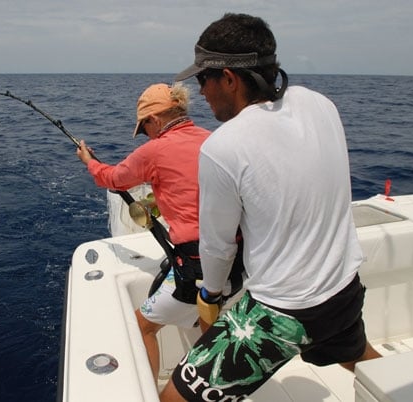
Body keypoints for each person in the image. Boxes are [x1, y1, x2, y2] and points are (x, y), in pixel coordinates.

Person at [159, 13, 382, 401]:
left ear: (228, 78)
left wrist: (210, 295)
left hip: (282, 314)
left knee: (172, 399)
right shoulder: (320, 104)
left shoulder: (222, 146)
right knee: (362, 359)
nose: (201, 93)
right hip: (341, 290)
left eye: (202, 80)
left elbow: (218, 246)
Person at [76, 83, 211, 383]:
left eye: (145, 128)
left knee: (140, 325)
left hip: (197, 267)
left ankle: (152, 392)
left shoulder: (154, 150)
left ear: (155, 119)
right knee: (208, 321)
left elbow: (113, 179)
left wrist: (89, 161)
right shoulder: (212, 140)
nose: (147, 135)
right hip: (237, 260)